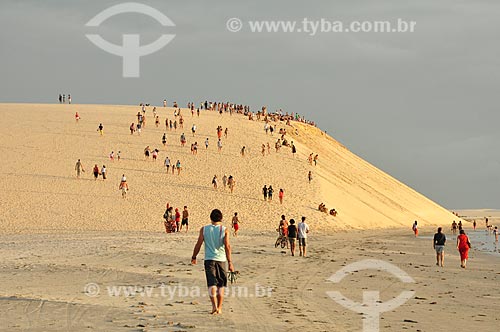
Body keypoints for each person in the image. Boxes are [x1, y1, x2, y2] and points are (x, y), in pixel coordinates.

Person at [191, 209, 235, 315]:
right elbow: (227, 246)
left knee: (211, 283)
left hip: (209, 259)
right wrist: (230, 262)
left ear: (211, 218)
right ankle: (219, 307)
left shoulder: (204, 229)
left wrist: (194, 256)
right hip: (221, 260)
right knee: (221, 284)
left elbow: (199, 243)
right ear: (221, 218)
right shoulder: (224, 230)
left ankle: (214, 306)